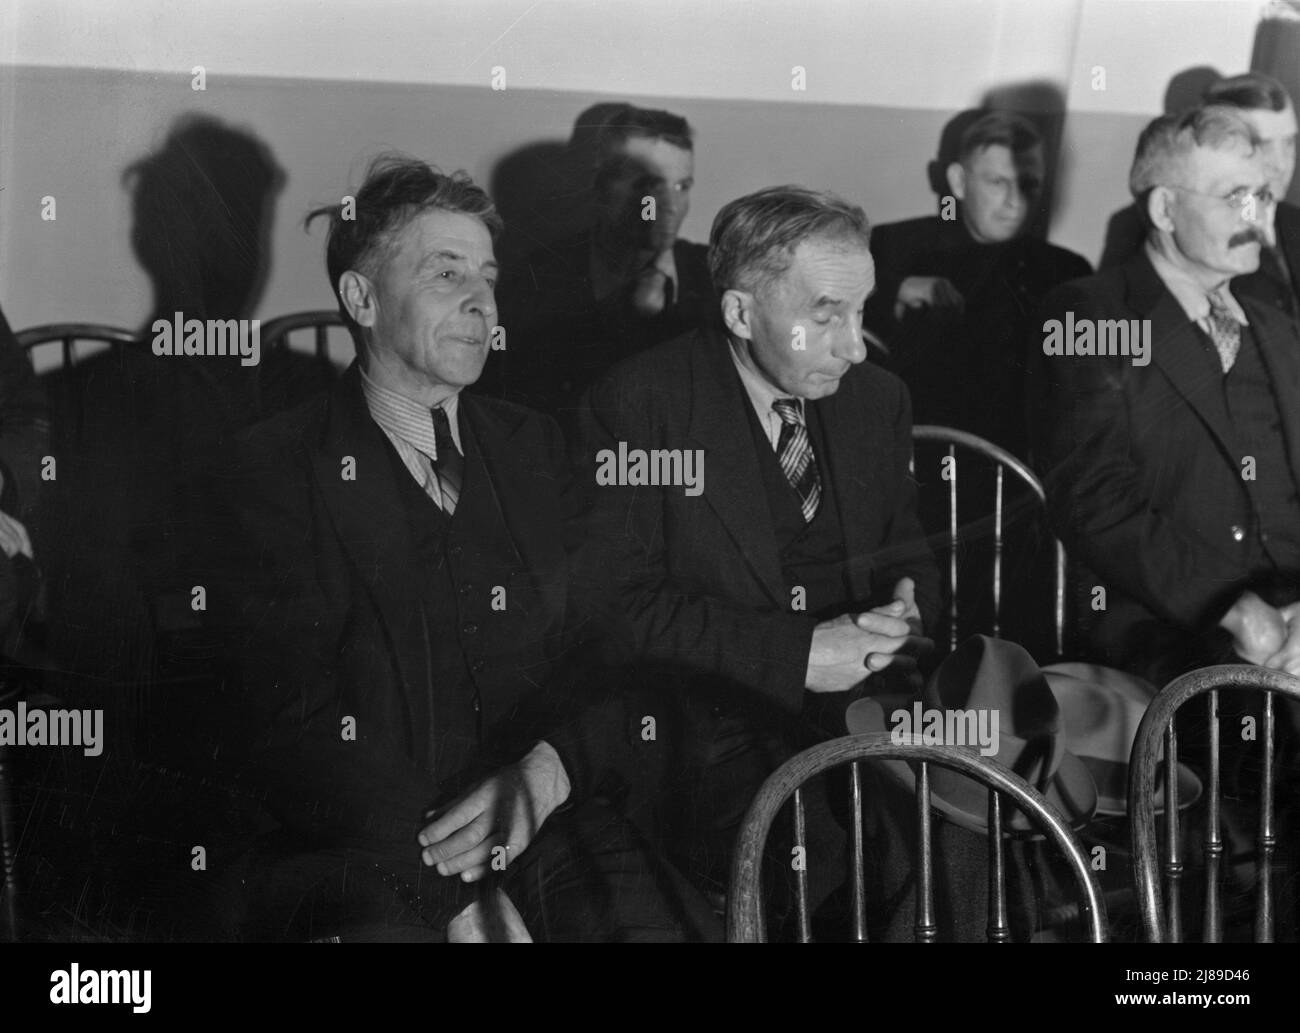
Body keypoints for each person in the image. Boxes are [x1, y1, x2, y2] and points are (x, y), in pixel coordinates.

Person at [204, 156, 713, 942]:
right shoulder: (273, 468)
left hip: (537, 816)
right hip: (360, 847)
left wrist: (553, 767)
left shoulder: (533, 445)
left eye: (488, 275)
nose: (481, 302)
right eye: (447, 275)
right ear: (362, 298)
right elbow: (286, 724)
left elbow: (609, 644)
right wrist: (447, 887)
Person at [575, 185, 956, 937]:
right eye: (826, 315)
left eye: (861, 310)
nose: (854, 343)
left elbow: (911, 551)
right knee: (829, 848)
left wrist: (910, 607)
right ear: (741, 313)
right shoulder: (640, 405)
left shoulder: (876, 398)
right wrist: (800, 652)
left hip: (872, 706)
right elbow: (617, 609)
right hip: (704, 722)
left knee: (972, 823)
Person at [865, 110, 1091, 457]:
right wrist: (896, 288)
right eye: (998, 182)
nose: (1016, 201)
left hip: (1023, 464)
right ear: (957, 182)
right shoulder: (896, 247)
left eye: (1029, 184)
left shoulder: (1066, 269)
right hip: (911, 454)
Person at [484, 104, 712, 430]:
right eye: (648, 185)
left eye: (682, 187)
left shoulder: (718, 278)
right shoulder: (536, 281)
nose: (670, 206)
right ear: (601, 186)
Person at [1203, 72, 1300, 319]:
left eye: (1289, 143)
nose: (1282, 164)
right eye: (1264, 145)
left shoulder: (1293, 221)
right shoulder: (1196, 232)